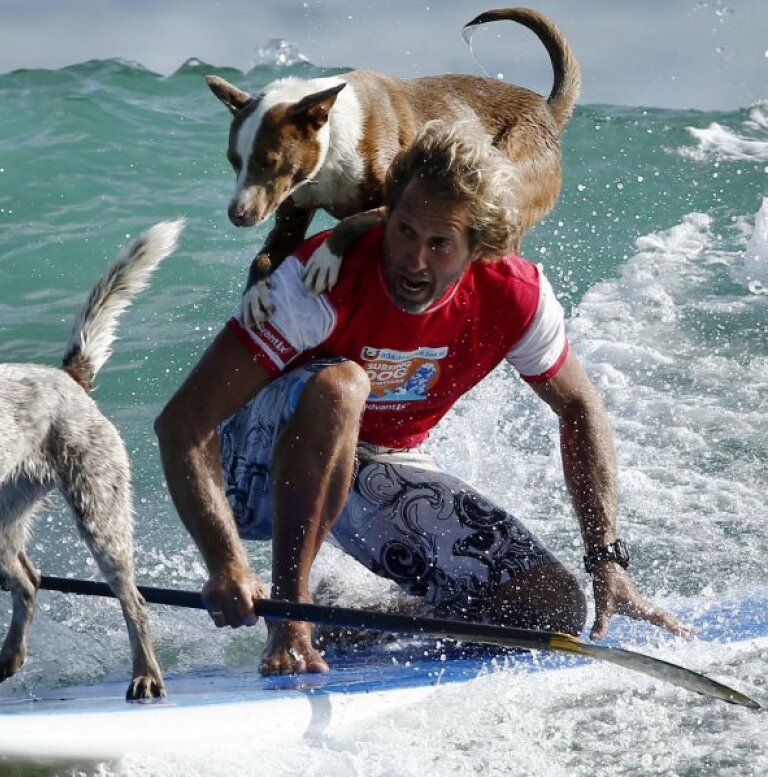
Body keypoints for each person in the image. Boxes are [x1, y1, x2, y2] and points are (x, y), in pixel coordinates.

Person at [155, 120, 690, 676]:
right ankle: (292, 618)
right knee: (342, 386)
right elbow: (182, 423)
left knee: (548, 609)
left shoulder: (516, 297)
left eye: (439, 245)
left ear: (478, 246)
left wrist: (606, 562)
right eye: (404, 232)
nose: (414, 261)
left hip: (376, 464)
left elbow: (579, 408)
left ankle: (349, 622)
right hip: (256, 469)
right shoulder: (319, 283)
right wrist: (225, 561)